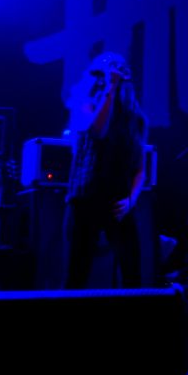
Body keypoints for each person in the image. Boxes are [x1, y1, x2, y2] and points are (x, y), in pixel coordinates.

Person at [64, 52, 147, 288]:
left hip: (119, 202)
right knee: (76, 275)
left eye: (118, 72)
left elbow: (140, 168)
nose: (112, 77)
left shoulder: (136, 119)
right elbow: (98, 132)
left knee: (132, 275)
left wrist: (131, 199)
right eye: (106, 74)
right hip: (85, 198)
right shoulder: (84, 104)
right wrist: (109, 89)